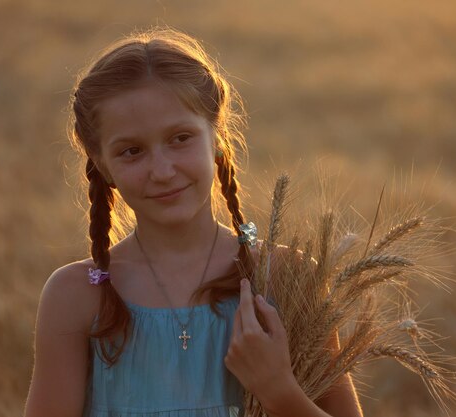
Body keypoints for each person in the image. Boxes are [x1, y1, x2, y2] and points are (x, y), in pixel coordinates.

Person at [23, 28, 363, 417]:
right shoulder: (76, 296)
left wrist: (278, 390)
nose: (163, 170)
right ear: (103, 166)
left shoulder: (286, 278)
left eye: (180, 138)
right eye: (132, 151)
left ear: (216, 136)